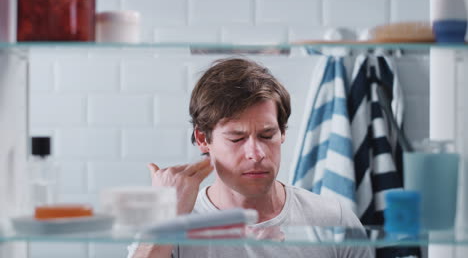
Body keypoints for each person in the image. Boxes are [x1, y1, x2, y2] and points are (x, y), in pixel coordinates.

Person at [128, 58, 374, 258]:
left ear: (283, 133)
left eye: (267, 135)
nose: (256, 153)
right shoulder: (174, 226)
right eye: (237, 138)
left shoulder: (333, 218)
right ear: (203, 139)